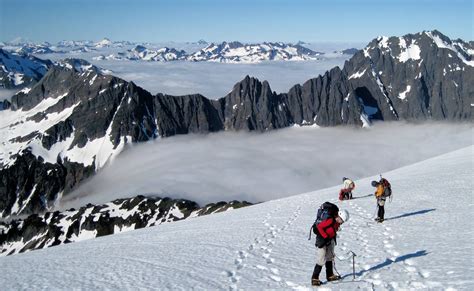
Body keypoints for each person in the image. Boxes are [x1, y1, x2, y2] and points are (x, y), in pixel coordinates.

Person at [311, 209, 350, 286]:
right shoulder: (330, 220)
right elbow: (319, 227)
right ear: (339, 216)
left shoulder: (337, 223)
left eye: (343, 222)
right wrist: (325, 237)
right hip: (322, 240)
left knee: (330, 257)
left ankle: (330, 275)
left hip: (330, 240)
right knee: (321, 259)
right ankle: (314, 278)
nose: (342, 223)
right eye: (342, 220)